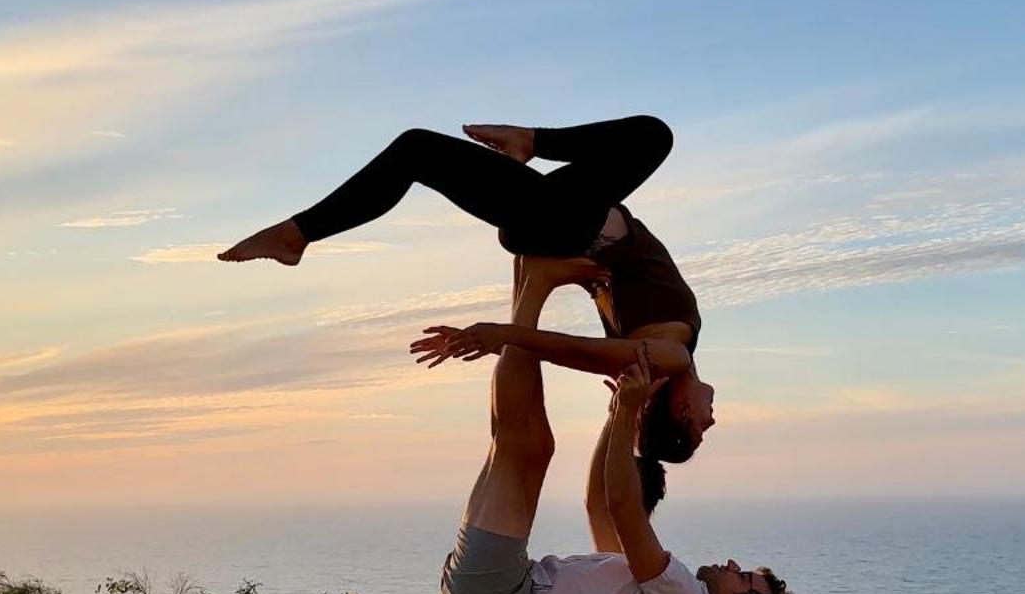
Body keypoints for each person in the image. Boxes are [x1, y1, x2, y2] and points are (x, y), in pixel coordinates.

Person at [219, 115, 715, 487]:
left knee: (652, 138)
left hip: (563, 220)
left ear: (679, 412)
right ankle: (296, 235)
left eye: (699, 430)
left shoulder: (669, 358)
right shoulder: (656, 350)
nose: (711, 420)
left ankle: (299, 234)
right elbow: (595, 329)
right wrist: (576, 282)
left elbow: (575, 351)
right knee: (416, 151)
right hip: (560, 214)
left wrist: (502, 335)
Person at [437, 255, 798, 594]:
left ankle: (533, 285)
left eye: (743, 577)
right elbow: (599, 506)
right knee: (529, 445)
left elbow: (624, 504)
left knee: (520, 446)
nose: (732, 564)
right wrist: (615, 418)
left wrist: (628, 412)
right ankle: (528, 277)